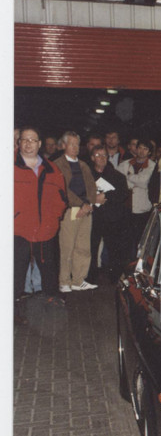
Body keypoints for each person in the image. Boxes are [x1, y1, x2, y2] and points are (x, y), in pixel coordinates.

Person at [14, 127, 67, 313]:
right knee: (14, 274)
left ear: (39, 144)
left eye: (33, 140)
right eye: (25, 139)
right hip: (17, 231)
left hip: (45, 230)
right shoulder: (8, 166)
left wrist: (53, 219)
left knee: (49, 272)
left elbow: (61, 198)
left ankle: (51, 307)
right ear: (19, 142)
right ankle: (11, 312)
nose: (28, 143)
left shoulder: (52, 169)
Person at [52, 131, 100, 292]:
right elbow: (62, 189)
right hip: (70, 211)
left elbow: (92, 186)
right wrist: (81, 204)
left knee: (83, 247)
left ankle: (78, 280)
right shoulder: (58, 164)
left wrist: (89, 204)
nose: (75, 147)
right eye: (71, 144)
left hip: (86, 211)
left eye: (77, 144)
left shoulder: (84, 164)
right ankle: (64, 281)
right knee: (67, 247)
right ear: (64, 145)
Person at [85, 144, 129, 284]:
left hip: (112, 218)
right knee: (91, 247)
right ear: (92, 158)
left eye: (104, 155)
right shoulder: (87, 175)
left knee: (114, 249)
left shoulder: (117, 175)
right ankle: (90, 276)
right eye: (98, 155)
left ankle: (115, 277)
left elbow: (123, 194)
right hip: (93, 217)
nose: (102, 158)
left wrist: (106, 195)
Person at [125, 138, 158, 258]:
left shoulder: (153, 166)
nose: (142, 151)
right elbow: (120, 180)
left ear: (149, 152)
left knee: (142, 240)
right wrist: (135, 180)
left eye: (145, 149)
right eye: (140, 148)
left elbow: (144, 182)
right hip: (128, 207)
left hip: (143, 208)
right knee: (128, 241)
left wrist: (129, 176)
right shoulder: (126, 163)